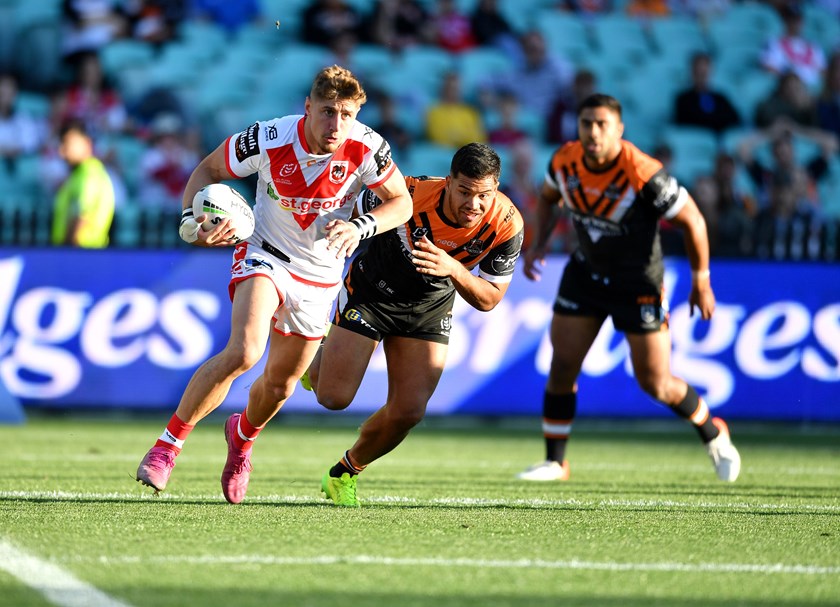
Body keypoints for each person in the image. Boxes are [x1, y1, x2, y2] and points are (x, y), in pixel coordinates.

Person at [134, 65, 413, 503]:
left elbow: (402, 202)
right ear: (307, 107)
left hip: (321, 275)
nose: (336, 124)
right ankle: (167, 447)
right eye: (327, 111)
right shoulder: (269, 137)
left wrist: (361, 226)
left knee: (282, 384)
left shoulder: (367, 147)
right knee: (245, 351)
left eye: (346, 114)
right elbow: (208, 169)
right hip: (265, 253)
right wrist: (192, 220)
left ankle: (242, 439)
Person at [516, 93, 741, 483]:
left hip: (638, 282)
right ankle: (555, 461)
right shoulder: (564, 161)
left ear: (619, 129)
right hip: (586, 275)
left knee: (656, 383)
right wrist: (539, 244)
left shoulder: (643, 173)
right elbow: (548, 199)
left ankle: (713, 432)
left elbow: (693, 221)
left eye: (602, 124)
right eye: (586, 123)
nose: (593, 132)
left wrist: (701, 281)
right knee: (562, 365)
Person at [302, 142, 524, 506]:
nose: (473, 204)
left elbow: (489, 299)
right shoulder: (409, 193)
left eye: (483, 195)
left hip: (428, 308)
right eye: (464, 192)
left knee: (408, 412)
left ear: (496, 188)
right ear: (448, 182)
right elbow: (348, 208)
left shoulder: (507, 225)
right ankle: (318, 345)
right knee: (332, 397)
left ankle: (344, 473)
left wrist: (453, 269)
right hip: (372, 293)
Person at [50, 119, 115, 248]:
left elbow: (81, 217)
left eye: (68, 143)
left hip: (80, 252)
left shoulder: (89, 174)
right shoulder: (78, 174)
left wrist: (65, 252)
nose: (62, 151)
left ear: (87, 143)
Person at [673, 52, 741, 135]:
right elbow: (684, 123)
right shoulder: (683, 99)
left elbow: (735, 120)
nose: (701, 76)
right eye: (697, 72)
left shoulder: (720, 98)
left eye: (704, 72)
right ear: (691, 72)